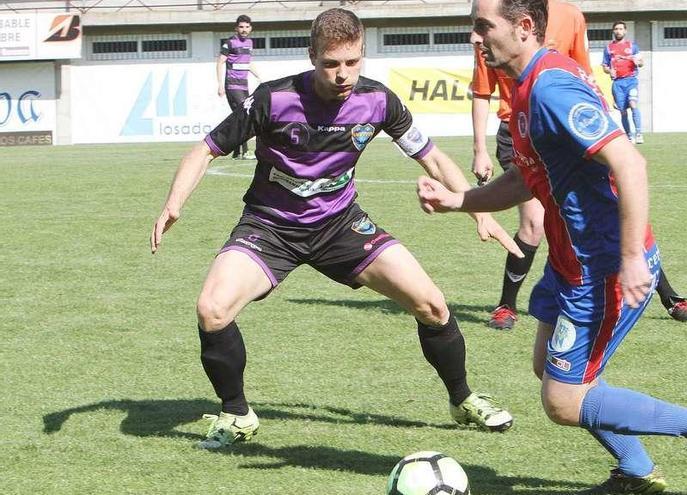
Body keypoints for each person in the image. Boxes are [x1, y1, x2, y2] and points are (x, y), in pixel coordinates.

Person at [152, 8, 519, 449]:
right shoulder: (273, 98)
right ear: (312, 57)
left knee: (432, 305)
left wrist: (478, 210)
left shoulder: (379, 101)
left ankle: (462, 400)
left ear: (362, 56)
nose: (343, 74)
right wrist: (174, 203)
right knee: (212, 309)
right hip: (270, 228)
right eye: (331, 64)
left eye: (352, 62)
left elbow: (433, 158)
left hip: (341, 225)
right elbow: (203, 151)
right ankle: (237, 414)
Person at [418, 1, 687, 494]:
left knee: (564, 401)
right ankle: (636, 473)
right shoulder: (525, 86)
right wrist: (459, 200)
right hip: (570, 261)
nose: (475, 39)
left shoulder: (550, 87)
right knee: (546, 366)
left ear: (524, 28)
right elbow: (528, 179)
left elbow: (630, 164)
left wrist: (633, 258)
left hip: (603, 266)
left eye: (484, 27)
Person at [472, 4, 687, 330]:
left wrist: (600, 124)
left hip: (562, 125)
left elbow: (583, 72)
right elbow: (482, 91)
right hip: (517, 130)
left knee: (604, 208)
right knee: (535, 223)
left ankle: (663, 292)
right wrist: (479, 149)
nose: (474, 37)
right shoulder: (493, 22)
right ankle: (506, 306)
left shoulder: (569, 16)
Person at [217, 15, 262, 159]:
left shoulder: (249, 43)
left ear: (251, 28)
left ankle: (236, 152)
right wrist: (220, 85)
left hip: (244, 85)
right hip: (232, 85)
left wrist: (259, 76)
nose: (244, 30)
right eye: (241, 27)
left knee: (239, 116)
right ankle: (245, 151)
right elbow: (219, 63)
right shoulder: (230, 42)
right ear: (236, 28)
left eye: (247, 27)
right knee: (245, 114)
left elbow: (247, 63)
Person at [602, 21, 644, 144]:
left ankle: (639, 133)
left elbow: (641, 62)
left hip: (631, 80)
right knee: (623, 111)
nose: (618, 31)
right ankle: (629, 136)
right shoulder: (608, 48)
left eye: (621, 29)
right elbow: (605, 66)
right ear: (613, 31)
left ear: (625, 31)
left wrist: (638, 62)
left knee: (633, 104)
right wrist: (609, 71)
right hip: (617, 83)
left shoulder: (632, 46)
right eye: (616, 29)